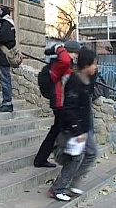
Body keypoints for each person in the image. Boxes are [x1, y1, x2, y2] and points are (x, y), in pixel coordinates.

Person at [48, 47, 98, 201]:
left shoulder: (86, 79)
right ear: (86, 65)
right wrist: (77, 130)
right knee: (76, 158)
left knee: (91, 153)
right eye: (94, 64)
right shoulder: (74, 81)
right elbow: (69, 108)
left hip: (85, 126)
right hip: (75, 127)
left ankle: (72, 184)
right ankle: (58, 188)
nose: (96, 67)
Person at [33, 40, 82, 168]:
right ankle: (58, 157)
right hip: (60, 102)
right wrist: (60, 48)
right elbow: (65, 59)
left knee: (57, 130)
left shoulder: (63, 64)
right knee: (60, 130)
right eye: (76, 53)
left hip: (61, 102)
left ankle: (42, 158)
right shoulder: (62, 63)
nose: (77, 56)